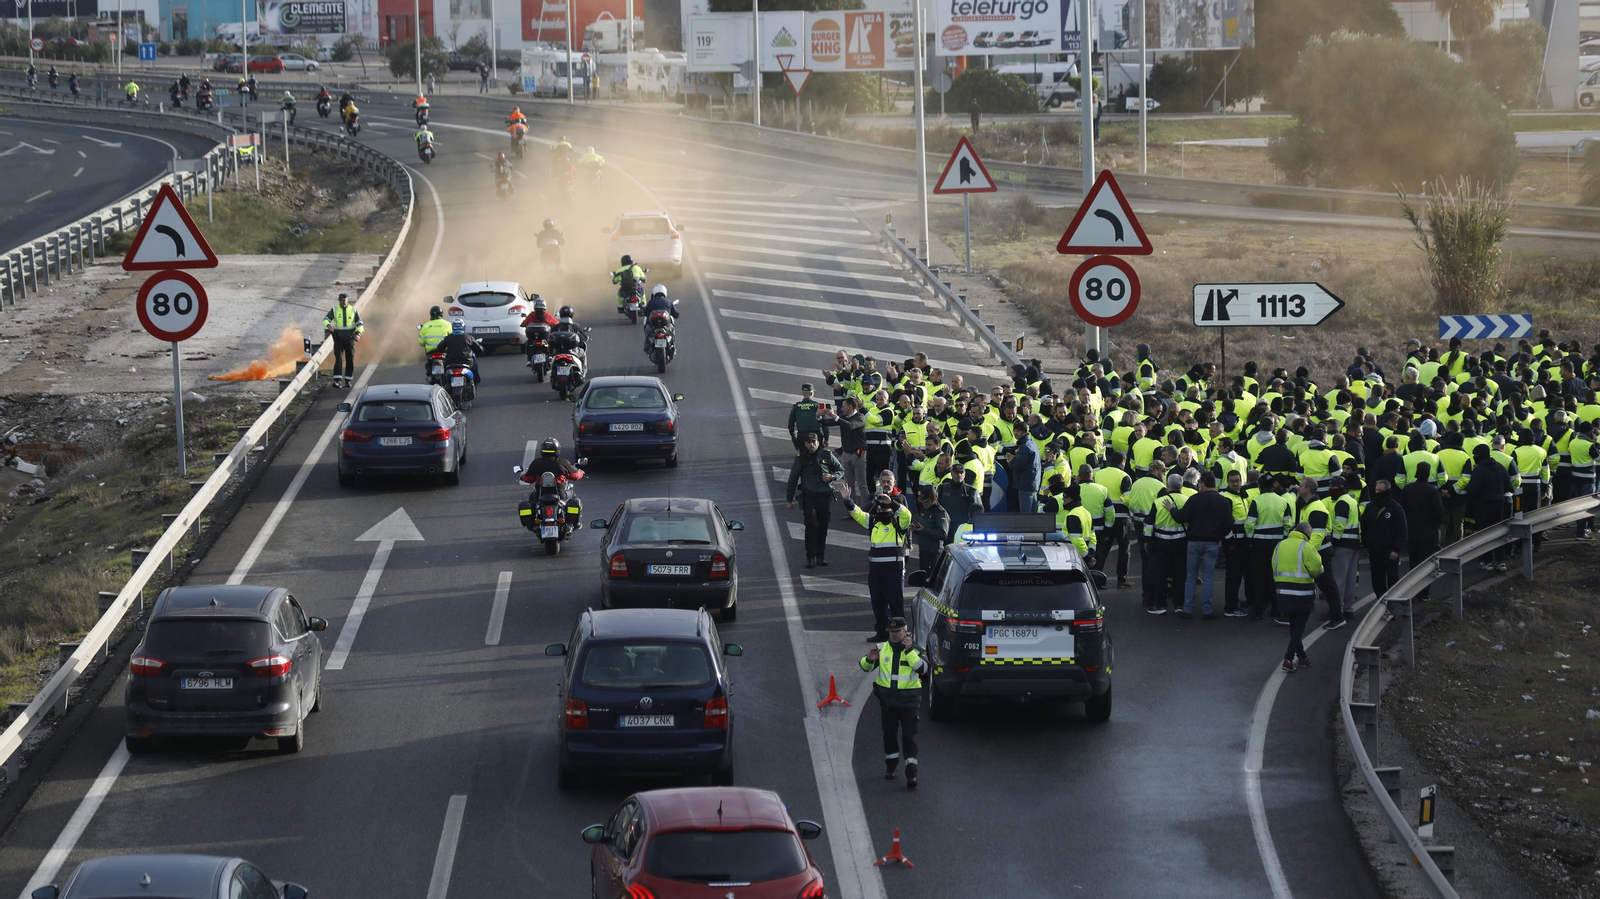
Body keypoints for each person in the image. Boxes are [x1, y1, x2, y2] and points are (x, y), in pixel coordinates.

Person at [840, 482, 912, 642]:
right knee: (878, 604)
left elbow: (907, 515)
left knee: (896, 605)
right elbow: (857, 513)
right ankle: (882, 633)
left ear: (892, 510)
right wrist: (847, 500)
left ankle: (901, 636)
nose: (883, 511)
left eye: (886, 508)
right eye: (880, 508)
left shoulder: (899, 523)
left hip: (894, 571)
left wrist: (892, 501)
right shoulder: (873, 522)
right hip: (876, 572)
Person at [860, 617, 927, 789]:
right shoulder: (882, 649)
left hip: (909, 702)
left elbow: (924, 670)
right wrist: (868, 659)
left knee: (908, 737)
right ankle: (891, 767)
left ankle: (911, 773)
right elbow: (864, 667)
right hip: (888, 702)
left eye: (898, 631)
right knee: (889, 734)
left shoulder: (916, 650)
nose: (895, 635)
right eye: (891, 632)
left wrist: (909, 651)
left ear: (905, 631)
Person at [1165, 471, 1233, 619]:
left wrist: (1172, 509)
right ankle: (1207, 610)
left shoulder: (1195, 499)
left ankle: (1188, 609)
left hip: (1194, 542)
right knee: (1208, 577)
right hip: (1212, 543)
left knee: (1190, 577)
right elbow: (1229, 522)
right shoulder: (1222, 501)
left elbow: (1181, 517)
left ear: (1202, 483)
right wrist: (1221, 535)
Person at [787, 431, 844, 568]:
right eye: (809, 442)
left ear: (818, 443)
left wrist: (832, 477)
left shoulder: (827, 455)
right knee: (811, 525)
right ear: (805, 444)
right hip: (810, 497)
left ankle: (821, 555)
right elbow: (792, 479)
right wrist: (789, 500)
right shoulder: (801, 459)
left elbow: (840, 470)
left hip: (825, 497)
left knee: (823, 526)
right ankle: (810, 556)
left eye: (814, 442)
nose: (812, 445)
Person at [1274, 523, 1323, 674]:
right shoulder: (1306, 547)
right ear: (1308, 532)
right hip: (1302, 593)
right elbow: (1316, 569)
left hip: (1283, 592)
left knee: (1294, 626)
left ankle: (1302, 657)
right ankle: (1288, 658)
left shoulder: (1280, 545)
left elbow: (1273, 565)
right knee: (1300, 626)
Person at [1400, 461, 1445, 599]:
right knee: (1426, 563)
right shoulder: (1432, 490)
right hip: (1428, 531)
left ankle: (1413, 589)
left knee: (1413, 561)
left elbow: (1401, 508)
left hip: (1412, 530)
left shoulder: (1408, 489)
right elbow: (1439, 512)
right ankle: (1424, 593)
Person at [1464, 443, 1512, 571]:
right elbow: (1509, 486)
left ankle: (1486, 560)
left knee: (1484, 533)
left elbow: (1473, 490)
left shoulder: (1479, 470)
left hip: (1482, 505)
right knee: (1498, 531)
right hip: (1499, 503)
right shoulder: (1500, 467)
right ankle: (1501, 560)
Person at [1360, 479, 1407, 597]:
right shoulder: (1371, 507)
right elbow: (1364, 526)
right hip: (1374, 551)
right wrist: (1366, 545)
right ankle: (1380, 604)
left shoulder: (1396, 508)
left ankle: (1393, 607)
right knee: (1377, 579)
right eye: (1376, 490)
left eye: (1381, 490)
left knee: (1392, 579)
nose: (1378, 493)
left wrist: (1396, 549)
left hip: (1390, 551)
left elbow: (1402, 530)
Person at [820, 396, 868, 499]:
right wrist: (819, 416)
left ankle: (865, 511)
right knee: (848, 485)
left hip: (858, 454)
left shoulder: (860, 417)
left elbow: (850, 426)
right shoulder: (843, 417)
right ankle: (853, 511)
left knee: (861, 484)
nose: (841, 409)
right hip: (846, 455)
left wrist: (834, 415)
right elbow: (827, 423)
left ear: (850, 407)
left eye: (843, 406)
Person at [519, 438, 584, 502]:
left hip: (539, 496)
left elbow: (528, 479)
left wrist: (522, 477)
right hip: (561, 496)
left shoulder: (536, 463)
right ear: (557, 450)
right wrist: (581, 473)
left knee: (531, 498)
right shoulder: (562, 462)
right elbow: (575, 476)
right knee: (572, 494)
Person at [321, 293, 363, 388]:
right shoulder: (335, 309)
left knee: (349, 360)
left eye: (344, 300)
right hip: (338, 339)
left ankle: (348, 380)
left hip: (350, 339)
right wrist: (328, 325)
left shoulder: (353, 310)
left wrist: (358, 334)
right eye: (341, 300)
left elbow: (360, 324)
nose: (342, 302)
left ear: (347, 300)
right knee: (338, 359)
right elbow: (325, 319)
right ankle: (337, 380)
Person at [432, 320, 484, 392]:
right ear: (463, 327)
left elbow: (439, 349)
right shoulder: (469, 337)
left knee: (444, 372)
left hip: (450, 363)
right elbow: (480, 349)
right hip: (467, 362)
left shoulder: (448, 338)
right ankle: (475, 384)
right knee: (475, 368)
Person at [910, 485, 950, 573]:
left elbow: (943, 534)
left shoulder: (940, 513)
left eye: (927, 501)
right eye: (923, 501)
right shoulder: (924, 509)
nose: (924, 504)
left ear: (934, 500)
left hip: (934, 553)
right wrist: (916, 530)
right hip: (923, 550)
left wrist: (924, 530)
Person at [520, 296, 559, 366]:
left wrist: (523, 325)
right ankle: (550, 356)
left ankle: (529, 358)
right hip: (545, 337)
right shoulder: (547, 314)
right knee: (551, 344)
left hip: (533, 337)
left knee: (528, 344)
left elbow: (523, 324)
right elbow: (556, 323)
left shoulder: (531, 315)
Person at [789, 384, 827, 450]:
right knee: (818, 457)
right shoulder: (817, 406)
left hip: (801, 436)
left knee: (803, 458)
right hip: (816, 436)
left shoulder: (796, 406)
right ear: (812, 393)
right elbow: (824, 424)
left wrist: (793, 437)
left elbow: (790, 424)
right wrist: (826, 438)